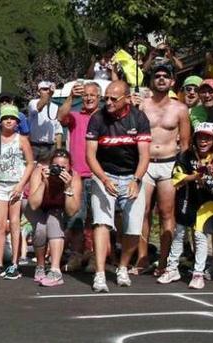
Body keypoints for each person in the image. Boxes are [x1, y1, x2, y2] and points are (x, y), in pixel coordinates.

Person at [86, 80, 151, 293]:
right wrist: (104, 179)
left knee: (133, 227)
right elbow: (90, 155)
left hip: (132, 175)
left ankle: (123, 267)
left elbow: (144, 155)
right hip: (104, 174)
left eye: (114, 99)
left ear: (127, 99)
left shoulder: (139, 118)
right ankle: (100, 273)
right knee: (101, 223)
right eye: (106, 98)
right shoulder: (97, 118)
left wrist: (137, 179)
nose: (108, 102)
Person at [158, 123, 213, 289]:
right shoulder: (185, 155)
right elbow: (177, 178)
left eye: (207, 138)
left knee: (200, 236)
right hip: (188, 199)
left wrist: (212, 173)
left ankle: (198, 273)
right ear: (194, 138)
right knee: (179, 233)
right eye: (200, 137)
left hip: (208, 202)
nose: (203, 141)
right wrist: (197, 175)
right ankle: (172, 268)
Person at [139, 63, 191, 275]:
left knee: (167, 213)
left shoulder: (180, 108)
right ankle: (142, 259)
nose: (161, 79)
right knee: (142, 213)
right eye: (157, 76)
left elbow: (186, 144)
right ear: (152, 81)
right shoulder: (142, 106)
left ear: (172, 81)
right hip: (146, 163)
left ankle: (164, 261)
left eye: (165, 76)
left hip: (169, 164)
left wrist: (181, 169)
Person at [0, 105, 34, 280]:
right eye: (5, 117)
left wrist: (21, 185)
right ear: (0, 121)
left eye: (12, 118)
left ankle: (14, 263)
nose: (9, 121)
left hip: (15, 185)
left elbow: (30, 163)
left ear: (17, 122)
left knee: (15, 223)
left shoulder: (21, 140)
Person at [57, 81, 101, 271]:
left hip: (98, 174)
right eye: (86, 95)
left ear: (99, 97)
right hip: (77, 174)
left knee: (95, 219)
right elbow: (60, 116)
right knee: (76, 217)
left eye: (93, 95)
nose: (89, 98)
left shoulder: (104, 117)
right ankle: (75, 255)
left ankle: (93, 256)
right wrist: (70, 97)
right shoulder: (75, 116)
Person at [27, 150, 83, 286]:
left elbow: (71, 211)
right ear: (50, 165)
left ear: (70, 167)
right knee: (40, 229)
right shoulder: (39, 172)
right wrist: (44, 182)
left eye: (63, 167)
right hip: (37, 205)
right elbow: (33, 204)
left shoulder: (74, 177)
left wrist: (68, 187)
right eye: (55, 166)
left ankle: (55, 270)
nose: (59, 170)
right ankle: (40, 266)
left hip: (57, 208)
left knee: (53, 221)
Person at [28, 81, 63, 158]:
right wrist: (49, 94)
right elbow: (38, 108)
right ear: (38, 92)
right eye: (44, 89)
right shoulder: (33, 103)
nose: (47, 91)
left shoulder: (55, 107)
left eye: (49, 89)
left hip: (50, 146)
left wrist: (58, 151)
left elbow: (58, 130)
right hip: (35, 146)